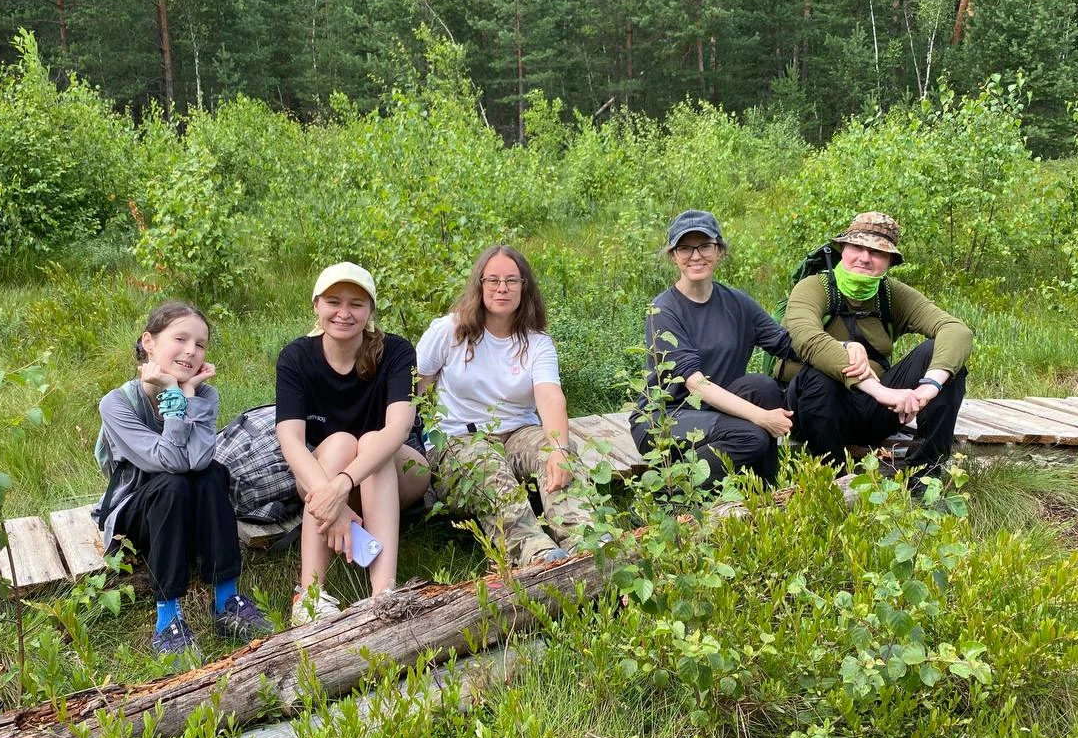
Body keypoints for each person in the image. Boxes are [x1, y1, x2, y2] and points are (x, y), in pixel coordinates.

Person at [95, 301, 272, 659]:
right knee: (174, 482)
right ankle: (168, 619)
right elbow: (169, 462)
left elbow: (200, 459)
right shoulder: (117, 404)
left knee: (211, 473)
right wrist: (176, 398)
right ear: (149, 342)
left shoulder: (205, 393)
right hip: (134, 515)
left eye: (201, 344)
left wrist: (189, 395)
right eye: (181, 339)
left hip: (183, 509)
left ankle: (227, 601)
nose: (191, 351)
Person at [417, 245, 599, 567]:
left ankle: (589, 542)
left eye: (512, 281)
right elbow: (415, 386)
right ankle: (535, 555)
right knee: (488, 469)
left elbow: (550, 396)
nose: (502, 288)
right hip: (460, 438)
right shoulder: (449, 331)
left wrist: (559, 448)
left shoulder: (537, 342)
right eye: (493, 280)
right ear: (480, 285)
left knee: (557, 455)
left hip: (518, 432)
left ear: (524, 287)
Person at [275, 263, 430, 623]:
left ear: (371, 311)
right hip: (323, 474)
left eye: (356, 304)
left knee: (373, 443)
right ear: (316, 306)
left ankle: (384, 594)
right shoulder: (296, 357)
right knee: (342, 441)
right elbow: (291, 440)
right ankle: (310, 595)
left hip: (397, 470)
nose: (344, 313)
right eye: (333, 301)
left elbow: (398, 429)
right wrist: (333, 499)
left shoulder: (397, 352)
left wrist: (342, 486)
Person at [782, 211, 972, 481]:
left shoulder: (890, 295)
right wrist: (881, 391)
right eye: (857, 247)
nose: (864, 258)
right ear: (842, 249)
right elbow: (806, 339)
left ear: (890, 261)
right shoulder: (813, 287)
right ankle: (834, 479)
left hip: (873, 411)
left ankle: (925, 473)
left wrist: (930, 386)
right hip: (814, 411)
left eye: (877, 252)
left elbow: (956, 330)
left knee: (943, 359)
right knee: (818, 375)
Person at [630, 210, 796, 489]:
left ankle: (765, 488)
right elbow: (696, 385)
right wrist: (763, 418)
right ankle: (668, 492)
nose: (696, 256)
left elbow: (786, 344)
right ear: (674, 256)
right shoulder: (664, 309)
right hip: (665, 418)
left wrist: (843, 347)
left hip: (712, 411)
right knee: (751, 436)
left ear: (718, 251)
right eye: (685, 247)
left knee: (763, 386)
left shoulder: (737, 302)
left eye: (705, 246)